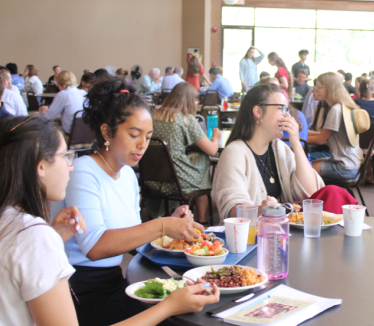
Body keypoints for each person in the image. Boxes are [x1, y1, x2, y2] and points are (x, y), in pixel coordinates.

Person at [0, 116, 219, 326]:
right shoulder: (34, 235)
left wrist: (54, 237)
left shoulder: (11, 222)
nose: (71, 166)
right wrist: (168, 307)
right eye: (65, 156)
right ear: (41, 167)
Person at [50, 76, 207, 325]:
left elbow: (131, 239)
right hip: (80, 291)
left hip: (116, 282)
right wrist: (161, 225)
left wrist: (170, 227)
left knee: (193, 310)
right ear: (106, 132)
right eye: (134, 134)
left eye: (148, 136)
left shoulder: (126, 174)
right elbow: (94, 248)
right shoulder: (82, 171)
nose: (142, 145)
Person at [213, 84, 323, 220]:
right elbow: (232, 209)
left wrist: (296, 143)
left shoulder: (279, 148)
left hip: (280, 234)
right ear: (258, 112)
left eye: (287, 109)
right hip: (250, 237)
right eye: (280, 108)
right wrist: (263, 210)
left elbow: (310, 193)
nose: (287, 115)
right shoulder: (234, 152)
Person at [146, 82, 220, 223]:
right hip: (177, 179)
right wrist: (216, 138)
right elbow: (212, 149)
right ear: (190, 100)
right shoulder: (186, 119)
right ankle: (202, 221)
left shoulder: (153, 116)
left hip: (152, 178)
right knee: (203, 158)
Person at [307, 72, 362, 179]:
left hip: (344, 167)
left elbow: (320, 140)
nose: (315, 90)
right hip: (353, 163)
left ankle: (318, 195)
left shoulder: (335, 110)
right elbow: (325, 136)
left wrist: (296, 138)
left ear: (329, 88)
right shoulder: (343, 106)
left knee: (304, 170)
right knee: (309, 163)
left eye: (318, 87)